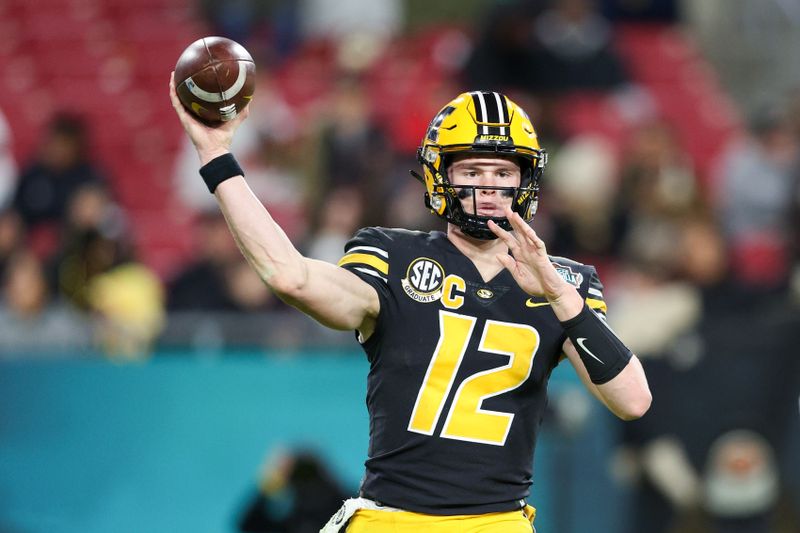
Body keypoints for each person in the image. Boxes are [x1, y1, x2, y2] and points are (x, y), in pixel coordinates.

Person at [169, 78, 652, 532]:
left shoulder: (565, 283)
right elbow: (289, 276)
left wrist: (560, 296)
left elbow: (632, 400)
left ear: (525, 180)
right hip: (392, 518)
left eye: (503, 171)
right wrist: (217, 156)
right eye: (471, 170)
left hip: (496, 522)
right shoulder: (393, 256)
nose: (488, 187)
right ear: (439, 175)